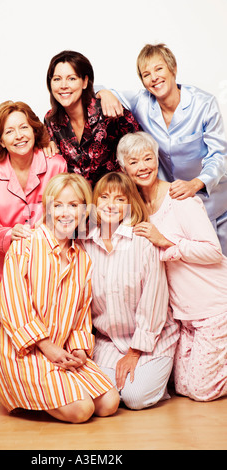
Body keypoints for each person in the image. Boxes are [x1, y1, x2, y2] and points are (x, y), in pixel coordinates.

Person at [0, 173, 120, 423]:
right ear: (48, 208)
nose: (65, 213)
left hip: (61, 351)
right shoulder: (24, 246)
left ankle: (57, 386)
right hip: (22, 352)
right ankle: (25, 395)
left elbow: (82, 316)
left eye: (74, 205)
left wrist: (80, 350)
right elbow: (11, 306)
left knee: (109, 403)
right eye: (58, 205)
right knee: (82, 410)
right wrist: (47, 347)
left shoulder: (82, 259)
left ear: (84, 212)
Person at [117, 131, 227, 402]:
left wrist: (165, 242)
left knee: (201, 391)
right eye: (134, 162)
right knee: (182, 387)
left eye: (148, 158)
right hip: (183, 314)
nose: (143, 166)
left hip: (213, 306)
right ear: (123, 167)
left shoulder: (180, 197)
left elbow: (212, 251)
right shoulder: (137, 207)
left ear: (157, 159)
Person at [96, 43, 227, 255]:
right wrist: (105, 92)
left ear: (172, 68)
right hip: (170, 204)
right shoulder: (141, 102)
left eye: (159, 69)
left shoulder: (204, 103)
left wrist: (195, 184)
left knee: (215, 262)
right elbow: (93, 87)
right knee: (178, 262)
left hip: (213, 201)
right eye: (146, 74)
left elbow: (219, 155)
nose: (154, 77)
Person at [0, 101, 67, 332]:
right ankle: (4, 366)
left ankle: (34, 368)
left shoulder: (56, 165)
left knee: (38, 315)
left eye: (24, 127)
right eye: (9, 131)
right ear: (1, 140)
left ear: (34, 130)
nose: (19, 136)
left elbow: (64, 214)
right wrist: (10, 233)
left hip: (37, 253)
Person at [84, 172, 179, 410]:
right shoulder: (84, 244)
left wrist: (134, 352)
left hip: (152, 338)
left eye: (119, 199)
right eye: (104, 197)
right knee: (104, 396)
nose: (111, 205)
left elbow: (154, 303)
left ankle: (161, 375)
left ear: (130, 204)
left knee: (135, 398)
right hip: (109, 341)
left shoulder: (143, 241)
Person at [44, 50, 140, 187]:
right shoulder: (51, 120)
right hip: (78, 202)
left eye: (71, 78)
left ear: (84, 82)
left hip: (115, 199)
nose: (63, 85)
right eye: (57, 79)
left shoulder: (108, 109)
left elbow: (141, 148)